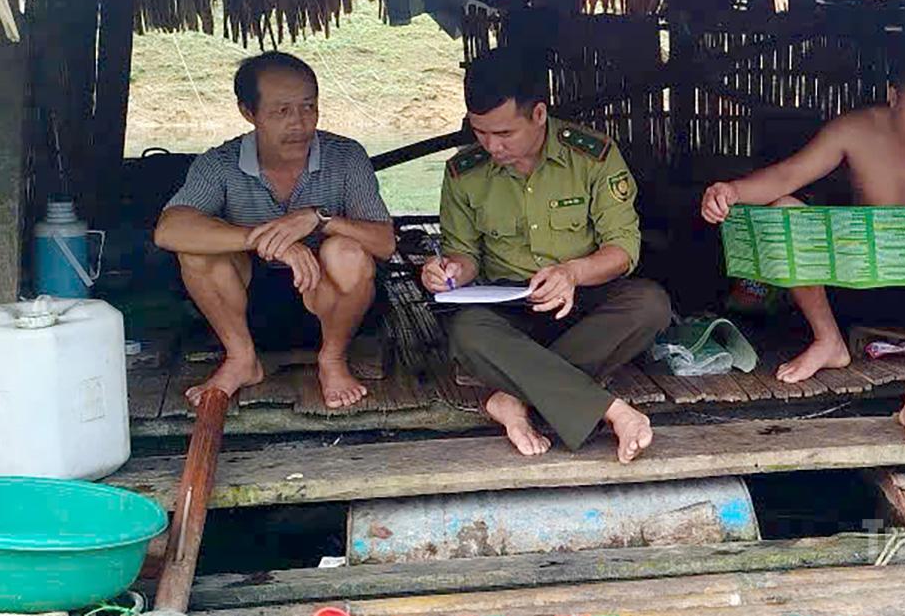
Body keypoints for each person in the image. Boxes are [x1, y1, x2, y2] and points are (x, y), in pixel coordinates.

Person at [699, 44, 905, 448]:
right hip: (852, 286)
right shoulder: (855, 130)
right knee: (784, 208)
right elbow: (787, 177)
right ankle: (827, 341)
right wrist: (729, 191)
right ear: (894, 97)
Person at [422, 48, 672, 463]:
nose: (491, 146)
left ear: (539, 114)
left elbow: (623, 250)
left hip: (584, 303)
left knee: (650, 304)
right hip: (508, 310)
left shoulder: (594, 157)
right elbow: (464, 256)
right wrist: (448, 271)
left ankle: (509, 396)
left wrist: (572, 273)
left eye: (504, 134)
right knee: (467, 331)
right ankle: (612, 410)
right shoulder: (463, 172)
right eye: (480, 133)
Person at [155, 52, 395, 410]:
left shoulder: (345, 156)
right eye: (281, 111)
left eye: (308, 107)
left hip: (331, 308)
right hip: (250, 309)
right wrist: (264, 239)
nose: (299, 123)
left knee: (346, 251)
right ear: (247, 112)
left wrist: (320, 218)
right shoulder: (220, 163)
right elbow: (168, 230)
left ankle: (332, 359)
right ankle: (241, 359)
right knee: (196, 249)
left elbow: (385, 243)